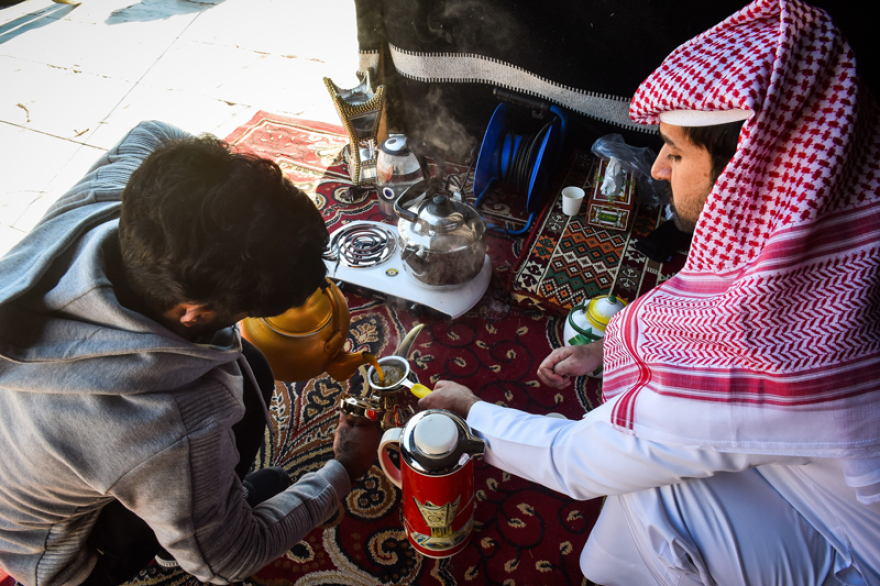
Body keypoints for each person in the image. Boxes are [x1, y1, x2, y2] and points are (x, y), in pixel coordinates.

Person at [420, 0, 880, 584]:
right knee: (639, 498)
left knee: (650, 491)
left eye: (678, 152)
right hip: (816, 480)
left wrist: (473, 414)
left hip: (857, 554)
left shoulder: (779, 353)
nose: (658, 169)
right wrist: (612, 350)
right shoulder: (837, 231)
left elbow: (581, 460)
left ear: (756, 173)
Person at [0, 121, 382, 586]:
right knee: (229, 397)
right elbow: (230, 561)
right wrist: (343, 468)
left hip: (24, 452)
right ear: (194, 312)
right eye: (250, 310)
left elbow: (151, 130)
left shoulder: (110, 201)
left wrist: (228, 193)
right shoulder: (168, 423)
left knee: (250, 367)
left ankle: (194, 504)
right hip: (57, 556)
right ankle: (175, 526)